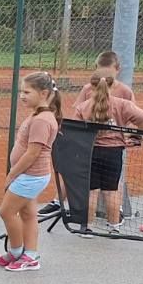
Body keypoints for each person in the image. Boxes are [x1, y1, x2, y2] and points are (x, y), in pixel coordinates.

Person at [43, 51, 135, 220]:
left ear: (118, 69)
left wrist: (130, 135)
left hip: (112, 145)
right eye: (102, 70)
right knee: (76, 173)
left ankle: (115, 212)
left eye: (109, 71)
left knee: (111, 184)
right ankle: (58, 202)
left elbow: (131, 117)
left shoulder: (124, 92)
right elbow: (78, 115)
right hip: (87, 145)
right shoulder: (88, 89)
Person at [0, 72, 62, 272]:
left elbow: (33, 153)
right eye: (21, 92)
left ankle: (17, 252)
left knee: (6, 211)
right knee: (28, 214)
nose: (22, 96)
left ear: (43, 93)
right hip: (31, 176)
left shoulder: (42, 120)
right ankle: (30, 255)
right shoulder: (38, 115)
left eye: (27, 92)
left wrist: (12, 174)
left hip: (30, 176)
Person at [72, 71, 143, 235]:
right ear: (112, 85)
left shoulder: (83, 106)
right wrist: (137, 135)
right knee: (111, 190)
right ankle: (114, 227)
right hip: (114, 152)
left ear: (91, 86)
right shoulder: (122, 104)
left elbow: (76, 131)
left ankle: (87, 227)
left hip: (91, 152)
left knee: (91, 191)